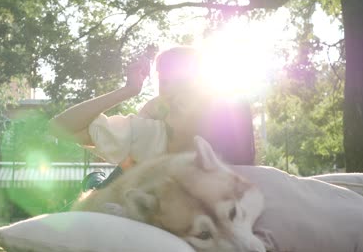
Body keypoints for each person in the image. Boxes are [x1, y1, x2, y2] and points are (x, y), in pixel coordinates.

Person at [50, 46, 255, 190]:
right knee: (99, 184)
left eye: (182, 82)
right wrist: (128, 91)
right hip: (107, 192)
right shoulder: (157, 135)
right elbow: (60, 127)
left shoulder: (230, 138)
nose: (168, 92)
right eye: (163, 81)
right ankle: (94, 180)